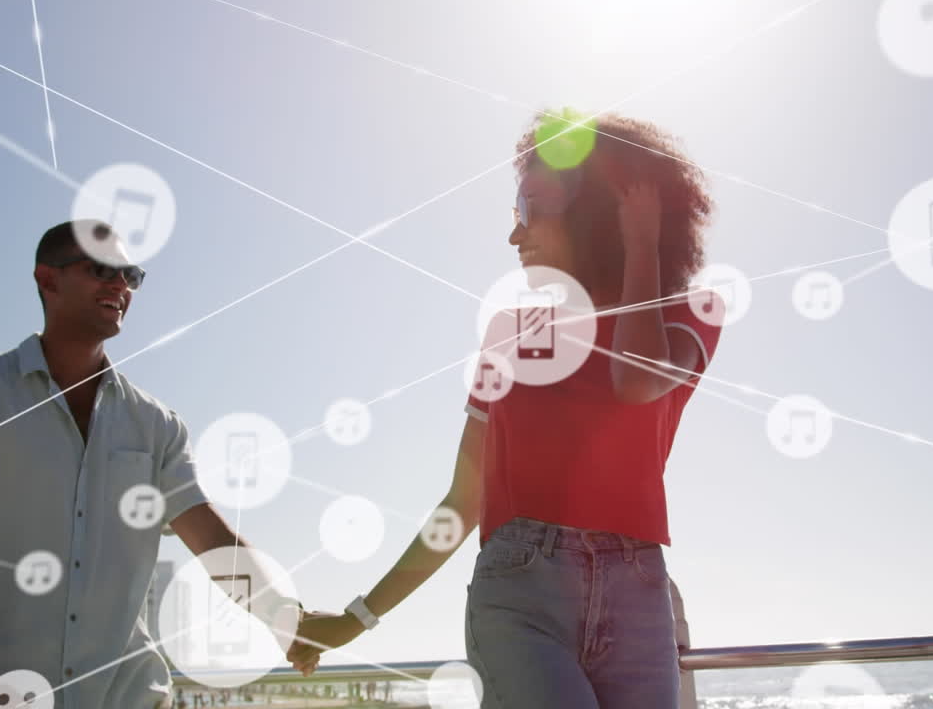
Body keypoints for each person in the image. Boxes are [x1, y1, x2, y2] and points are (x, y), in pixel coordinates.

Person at [287, 111, 721, 709]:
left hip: (639, 589)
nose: (514, 235)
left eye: (527, 208)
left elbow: (635, 381)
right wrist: (357, 618)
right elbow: (461, 503)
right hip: (521, 590)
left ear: (597, 207)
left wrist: (640, 246)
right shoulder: (512, 332)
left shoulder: (689, 313)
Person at [0, 221, 302, 709]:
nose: (120, 285)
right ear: (48, 280)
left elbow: (212, 541)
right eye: (102, 269)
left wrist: (288, 620)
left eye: (131, 275)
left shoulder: (156, 424)